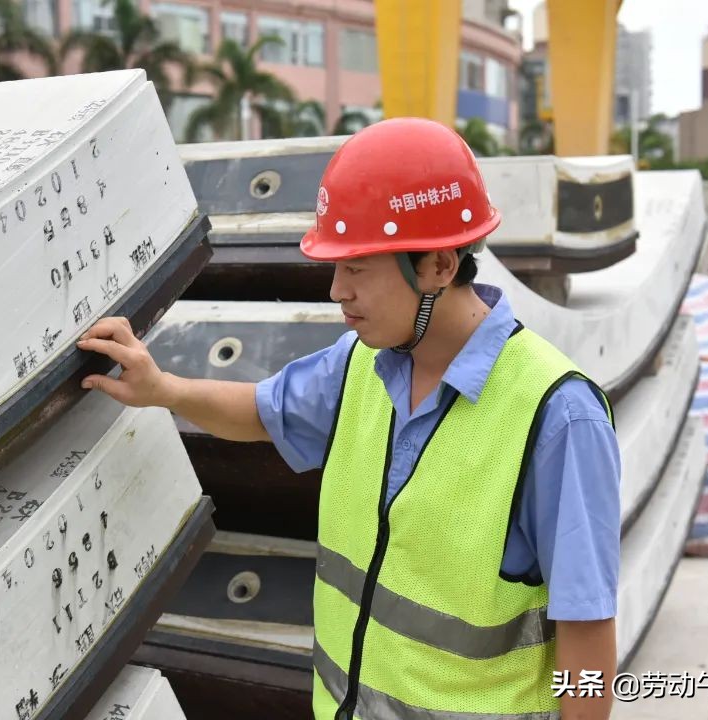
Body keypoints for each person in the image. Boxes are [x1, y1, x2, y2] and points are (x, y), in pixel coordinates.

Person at [77, 118, 621, 720]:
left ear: (439, 265)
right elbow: (261, 412)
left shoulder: (558, 417)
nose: (337, 290)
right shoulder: (361, 364)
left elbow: (588, 631)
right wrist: (162, 389)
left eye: (357, 268)